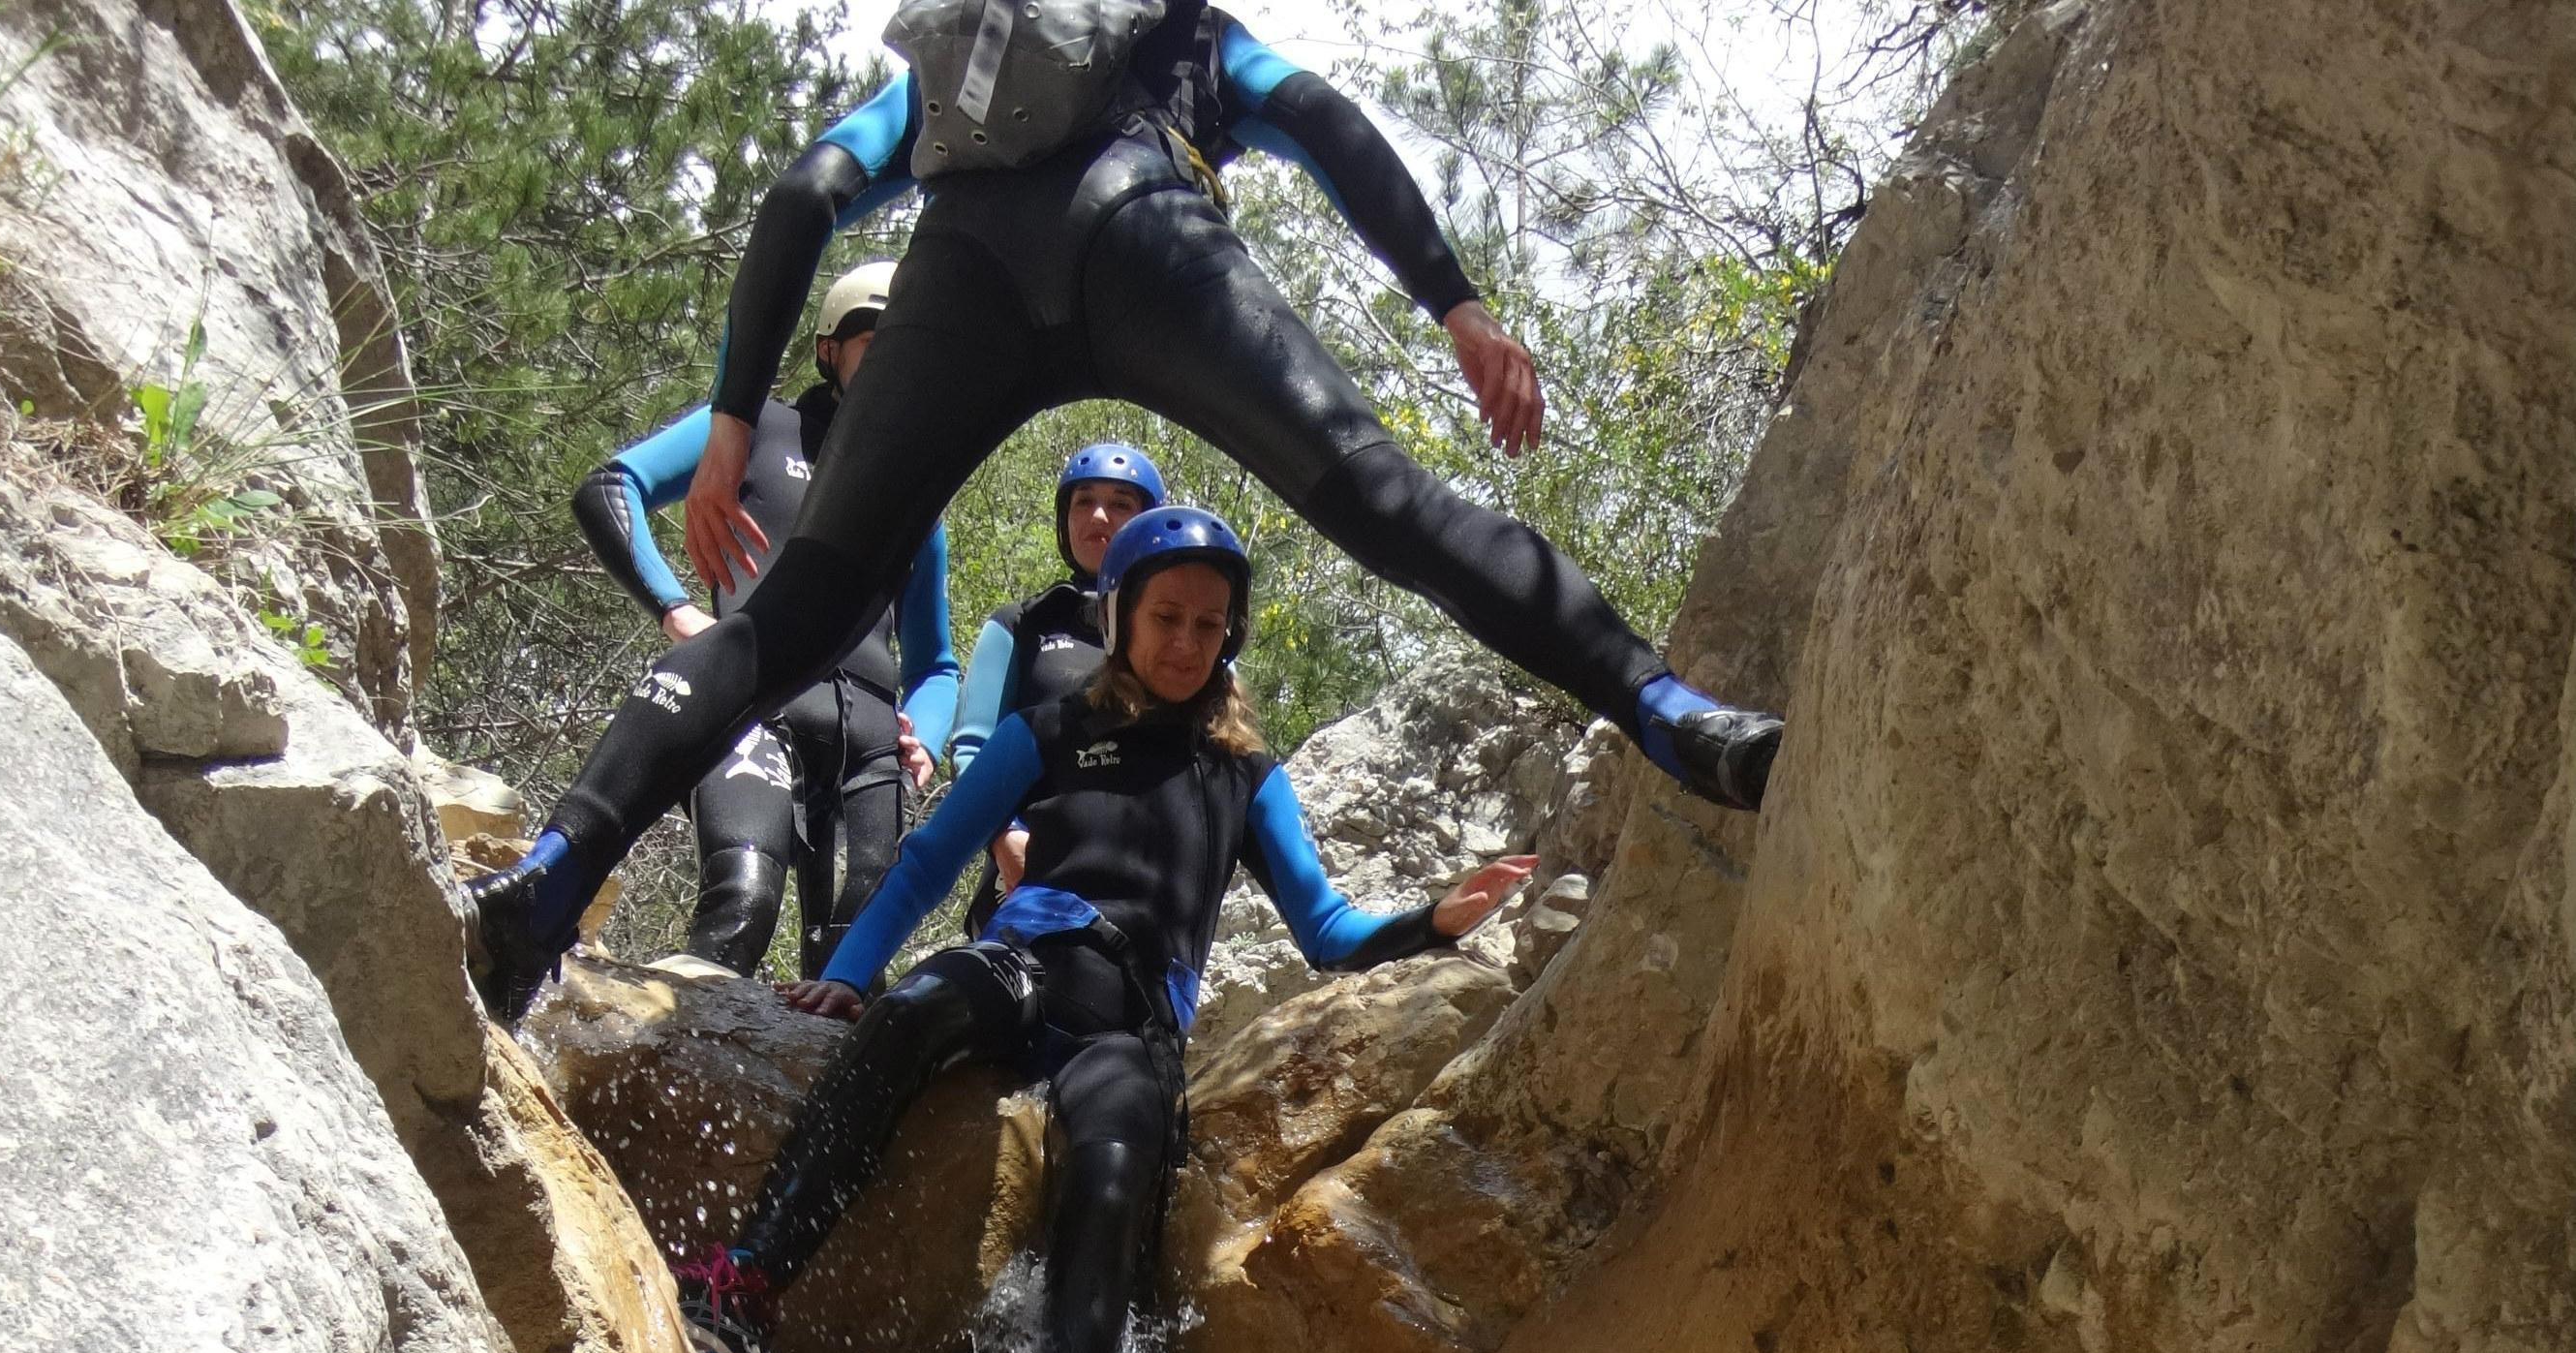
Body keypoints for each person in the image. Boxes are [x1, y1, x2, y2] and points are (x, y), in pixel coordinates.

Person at [461, 1, 1773, 1023]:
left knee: (795, 613)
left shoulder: (958, 64)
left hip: (965, 258)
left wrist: (735, 408)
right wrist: (1456, 302)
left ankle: (551, 880)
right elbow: (1322, 119)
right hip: (1145, 221)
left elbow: (811, 185)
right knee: (1391, 508)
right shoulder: (1188, 31)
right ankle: (1672, 718)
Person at [673, 507, 1535, 1353]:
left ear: (1232, 637)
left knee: (1118, 1164)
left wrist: (1435, 920)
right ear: (1121, 615)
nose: (1185, 642)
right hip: (1025, 959)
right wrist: (851, 975)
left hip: (1132, 1023)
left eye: (1209, 626)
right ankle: (747, 1283)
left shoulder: (1242, 773)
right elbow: (934, 854)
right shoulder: (1052, 728)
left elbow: (1327, 928)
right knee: (912, 1014)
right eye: (1165, 617)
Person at [571, 262, 960, 979]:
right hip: (753, 713)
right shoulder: (756, 431)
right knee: (740, 908)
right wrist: (678, 612)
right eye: (875, 344)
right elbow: (608, 486)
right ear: (828, 352)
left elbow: (935, 662)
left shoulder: (914, 492)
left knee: (852, 963)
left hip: (873, 751)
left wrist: (926, 739)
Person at [948, 440, 1160, 929]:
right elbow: (973, 748)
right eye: (1084, 500)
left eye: (1120, 504)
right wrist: (1003, 836)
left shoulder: (1176, 639)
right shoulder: (1019, 625)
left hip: (1138, 872)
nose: (1100, 517)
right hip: (1023, 868)